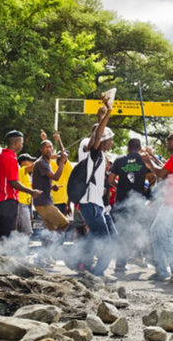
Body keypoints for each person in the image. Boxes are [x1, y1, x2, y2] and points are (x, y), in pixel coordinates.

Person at [74, 92, 118, 277]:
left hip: (98, 205)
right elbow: (96, 137)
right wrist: (106, 114)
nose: (112, 142)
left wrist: (102, 118)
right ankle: (96, 274)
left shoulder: (99, 155)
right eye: (110, 139)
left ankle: (81, 259)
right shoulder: (91, 152)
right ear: (102, 140)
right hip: (90, 203)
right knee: (107, 242)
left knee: (111, 238)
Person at [141, 131, 173, 282]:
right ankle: (162, 270)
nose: (167, 142)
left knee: (164, 234)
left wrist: (149, 163)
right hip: (172, 202)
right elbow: (167, 167)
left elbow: (162, 173)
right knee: (156, 231)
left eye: (169, 140)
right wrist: (151, 157)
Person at [107, 138, 151, 272]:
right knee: (139, 230)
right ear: (139, 147)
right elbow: (153, 176)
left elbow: (110, 180)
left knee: (122, 232)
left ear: (128, 147)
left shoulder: (119, 160)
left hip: (121, 201)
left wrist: (119, 186)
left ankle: (120, 264)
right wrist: (145, 186)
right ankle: (138, 257)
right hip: (138, 201)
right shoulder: (144, 160)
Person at [0, 131, 42, 243]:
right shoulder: (11, 159)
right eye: (21, 142)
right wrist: (31, 191)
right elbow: (14, 182)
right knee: (9, 234)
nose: (22, 145)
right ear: (16, 142)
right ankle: (5, 257)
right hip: (8, 202)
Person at [32, 138, 70, 255]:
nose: (49, 149)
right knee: (64, 223)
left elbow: (43, 181)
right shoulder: (42, 162)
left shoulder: (45, 162)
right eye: (46, 147)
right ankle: (50, 248)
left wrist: (52, 187)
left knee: (50, 230)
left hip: (43, 202)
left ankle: (44, 255)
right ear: (41, 150)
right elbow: (55, 176)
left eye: (50, 147)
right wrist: (62, 162)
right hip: (43, 203)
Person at [16, 153, 36, 236]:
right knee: (26, 231)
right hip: (21, 204)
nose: (31, 163)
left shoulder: (28, 175)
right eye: (30, 161)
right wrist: (46, 157)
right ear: (23, 163)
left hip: (26, 204)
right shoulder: (21, 170)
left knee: (23, 231)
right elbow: (33, 166)